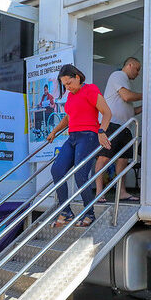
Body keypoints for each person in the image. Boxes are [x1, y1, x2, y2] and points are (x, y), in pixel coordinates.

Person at [47, 64, 112, 227]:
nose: (67, 87)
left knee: (80, 175)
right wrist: (54, 131)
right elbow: (68, 119)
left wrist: (102, 131)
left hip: (88, 136)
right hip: (73, 137)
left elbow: (107, 112)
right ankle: (66, 212)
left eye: (69, 83)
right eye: (64, 85)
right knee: (57, 170)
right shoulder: (70, 96)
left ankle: (89, 213)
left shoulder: (90, 89)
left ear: (77, 76)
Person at [95, 56, 142, 202]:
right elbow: (127, 97)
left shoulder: (125, 82)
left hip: (125, 127)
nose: (138, 73)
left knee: (123, 160)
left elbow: (130, 111)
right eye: (137, 69)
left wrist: (147, 104)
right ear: (129, 65)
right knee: (103, 158)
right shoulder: (118, 75)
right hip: (112, 125)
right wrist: (146, 95)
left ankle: (121, 192)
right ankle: (98, 192)